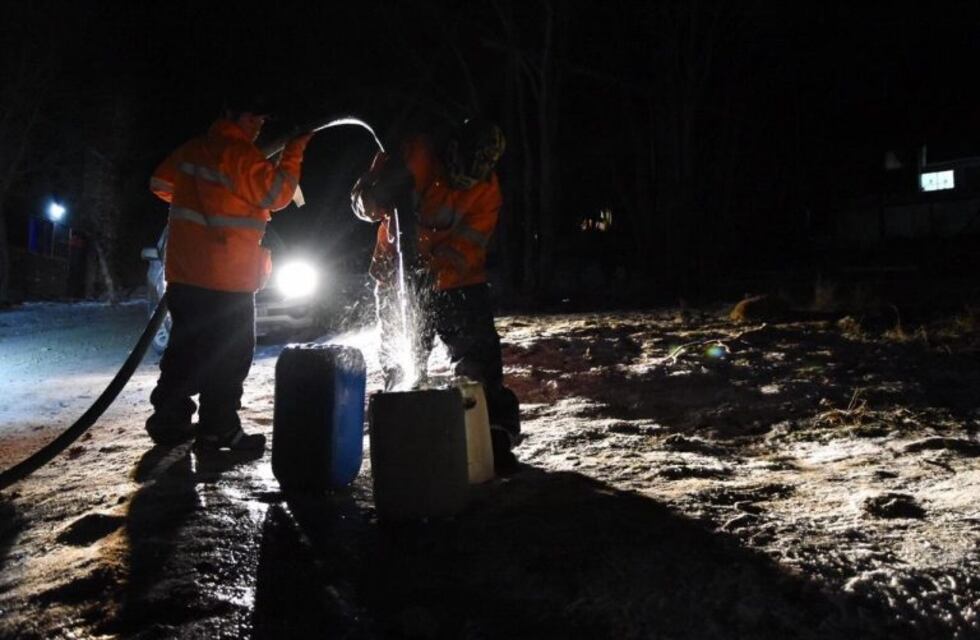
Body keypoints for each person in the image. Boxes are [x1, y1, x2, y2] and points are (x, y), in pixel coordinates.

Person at [145, 95, 313, 451]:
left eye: (262, 122)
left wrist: (201, 195)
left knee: (185, 351)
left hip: (186, 275)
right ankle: (218, 430)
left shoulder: (194, 150)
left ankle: (169, 421)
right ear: (231, 116)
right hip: (227, 279)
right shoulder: (239, 155)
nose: (259, 126)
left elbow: (160, 182)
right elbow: (278, 193)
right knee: (229, 356)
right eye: (254, 119)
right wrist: (295, 150)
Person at [351, 118, 521, 468]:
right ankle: (405, 440)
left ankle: (492, 435)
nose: (466, 181)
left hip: (459, 283)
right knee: (402, 363)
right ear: (452, 150)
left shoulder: (487, 193)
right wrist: (375, 197)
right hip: (396, 279)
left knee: (478, 363)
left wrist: (432, 274)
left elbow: (467, 248)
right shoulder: (412, 153)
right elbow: (361, 204)